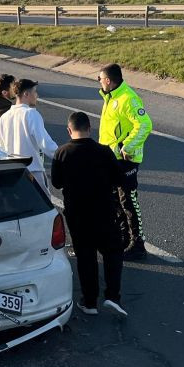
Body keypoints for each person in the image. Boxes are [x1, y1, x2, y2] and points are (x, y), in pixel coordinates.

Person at [51, 111, 126, 316]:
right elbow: (119, 179)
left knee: (85, 257)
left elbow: (56, 183)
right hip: (104, 211)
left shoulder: (62, 153)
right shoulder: (104, 151)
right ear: (89, 129)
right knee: (112, 252)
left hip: (77, 214)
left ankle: (90, 301)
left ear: (69, 130)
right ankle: (112, 296)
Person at [97, 63, 153, 261]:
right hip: (111, 159)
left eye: (100, 78)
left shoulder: (127, 98)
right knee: (115, 200)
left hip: (125, 160)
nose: (99, 82)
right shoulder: (111, 96)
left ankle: (138, 245)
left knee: (128, 201)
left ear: (109, 80)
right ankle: (123, 239)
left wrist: (127, 146)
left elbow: (145, 124)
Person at [0, 78, 58, 193]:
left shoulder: (4, 117)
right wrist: (62, 156)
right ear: (26, 94)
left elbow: (2, 148)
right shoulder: (31, 114)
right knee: (43, 205)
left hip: (13, 173)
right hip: (33, 171)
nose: (36, 95)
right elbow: (45, 144)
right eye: (34, 92)